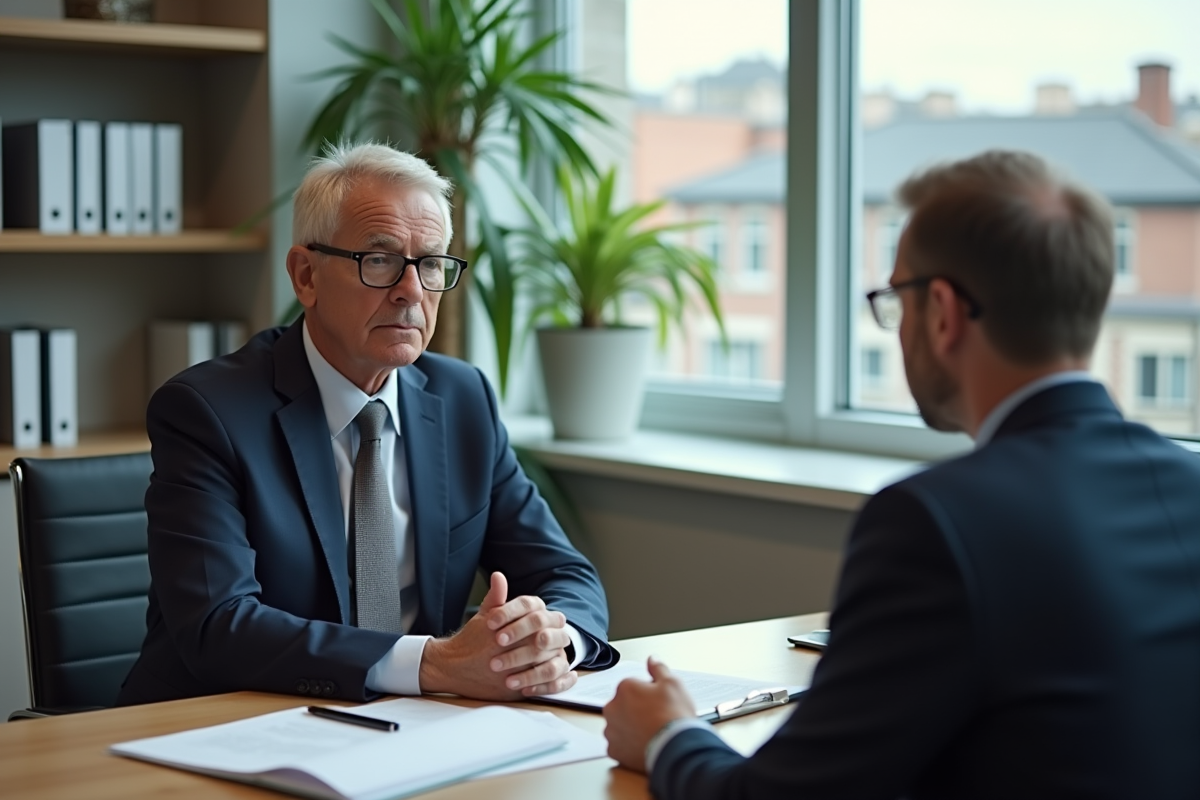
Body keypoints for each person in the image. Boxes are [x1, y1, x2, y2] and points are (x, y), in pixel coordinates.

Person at [603, 150, 1200, 799]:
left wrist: (668, 735)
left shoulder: (936, 521)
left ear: (942, 312)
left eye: (896, 297)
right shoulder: (1187, 483)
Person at [118, 142, 617, 707]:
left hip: (410, 729)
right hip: (216, 728)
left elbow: (564, 573)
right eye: (379, 260)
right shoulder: (207, 411)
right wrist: (434, 664)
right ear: (305, 275)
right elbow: (218, 625)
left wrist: (551, 642)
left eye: (430, 263)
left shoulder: (463, 399)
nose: (411, 291)